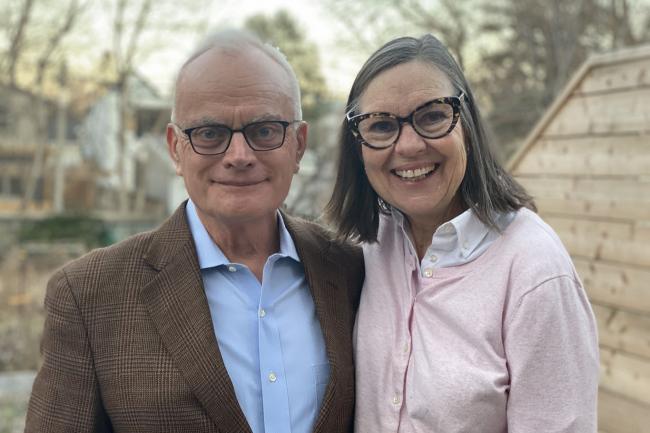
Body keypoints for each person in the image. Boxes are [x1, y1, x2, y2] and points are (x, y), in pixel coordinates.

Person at [25, 30, 364, 433]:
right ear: (175, 149)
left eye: (265, 130)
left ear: (299, 144)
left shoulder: (349, 270)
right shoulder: (89, 295)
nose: (239, 156)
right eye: (209, 134)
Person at [326, 34, 599, 433]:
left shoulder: (534, 272)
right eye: (382, 126)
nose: (410, 145)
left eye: (432, 116)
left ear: (466, 123)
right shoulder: (369, 246)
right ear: (357, 146)